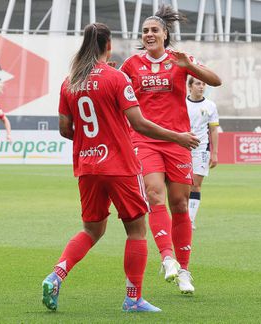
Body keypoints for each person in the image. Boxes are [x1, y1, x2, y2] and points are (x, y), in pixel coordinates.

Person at [41, 23, 199, 313]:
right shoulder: (116, 78)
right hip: (119, 166)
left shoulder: (70, 82)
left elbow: (65, 128)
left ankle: (56, 276)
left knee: (91, 229)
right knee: (137, 231)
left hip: (87, 166)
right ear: (108, 45)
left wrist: (91, 140)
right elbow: (139, 124)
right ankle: (133, 298)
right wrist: (178, 137)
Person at [119, 5, 222, 294]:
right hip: (144, 140)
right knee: (154, 194)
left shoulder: (180, 60)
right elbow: (116, 93)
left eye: (154, 30)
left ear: (166, 34)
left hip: (179, 141)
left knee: (180, 205)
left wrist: (189, 66)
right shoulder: (131, 65)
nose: (149, 34)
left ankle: (185, 270)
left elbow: (216, 80)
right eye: (145, 31)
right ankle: (167, 258)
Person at [186, 77, 220, 230]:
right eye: (198, 84)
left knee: (196, 185)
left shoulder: (210, 106)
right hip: (181, 147)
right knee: (182, 186)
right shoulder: (181, 103)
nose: (201, 87)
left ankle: (190, 220)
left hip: (201, 149)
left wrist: (215, 153)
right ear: (190, 86)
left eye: (203, 84)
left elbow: (213, 130)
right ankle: (182, 216)